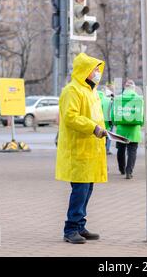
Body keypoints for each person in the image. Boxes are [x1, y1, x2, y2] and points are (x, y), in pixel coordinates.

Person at [55, 53, 108, 244]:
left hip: (91, 150)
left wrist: (101, 130)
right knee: (80, 190)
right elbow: (70, 117)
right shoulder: (72, 90)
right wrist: (93, 128)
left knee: (87, 190)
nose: (97, 72)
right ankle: (70, 229)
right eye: (94, 69)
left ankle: (80, 226)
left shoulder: (90, 91)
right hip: (78, 150)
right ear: (85, 70)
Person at [112, 80, 144, 179]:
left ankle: (121, 169)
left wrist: (116, 123)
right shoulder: (139, 99)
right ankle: (129, 171)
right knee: (132, 151)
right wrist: (140, 124)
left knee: (120, 150)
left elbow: (113, 114)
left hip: (121, 129)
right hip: (134, 129)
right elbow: (142, 114)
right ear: (134, 88)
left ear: (125, 88)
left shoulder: (118, 98)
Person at [98, 88, 113, 155]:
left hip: (96, 121)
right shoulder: (108, 100)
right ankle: (106, 149)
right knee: (108, 136)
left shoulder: (95, 98)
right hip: (107, 121)